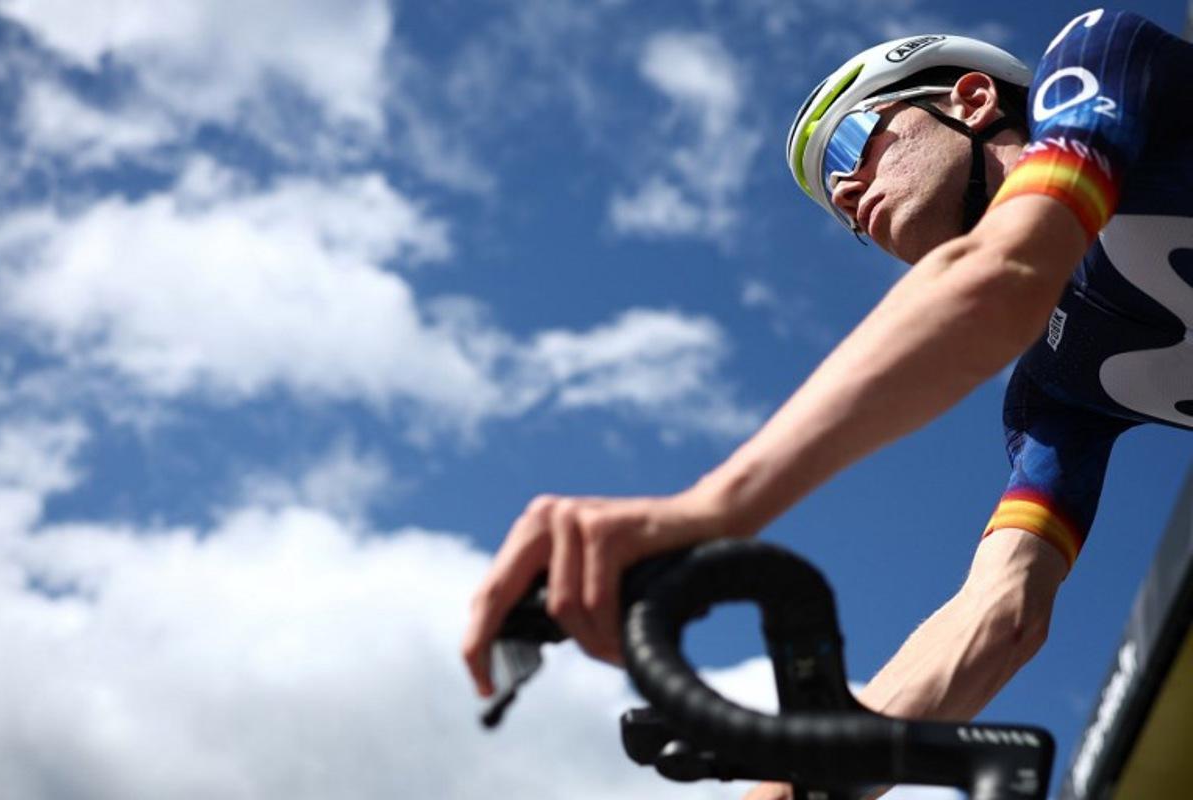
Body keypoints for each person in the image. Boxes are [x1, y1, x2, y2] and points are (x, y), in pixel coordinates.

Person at [463, 9, 1192, 798]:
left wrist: (710, 510)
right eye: (840, 214)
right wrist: (798, 781)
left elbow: (1003, 278)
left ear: (974, 100)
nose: (848, 195)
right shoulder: (1050, 387)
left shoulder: (1096, 54)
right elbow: (999, 613)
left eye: (851, 145)